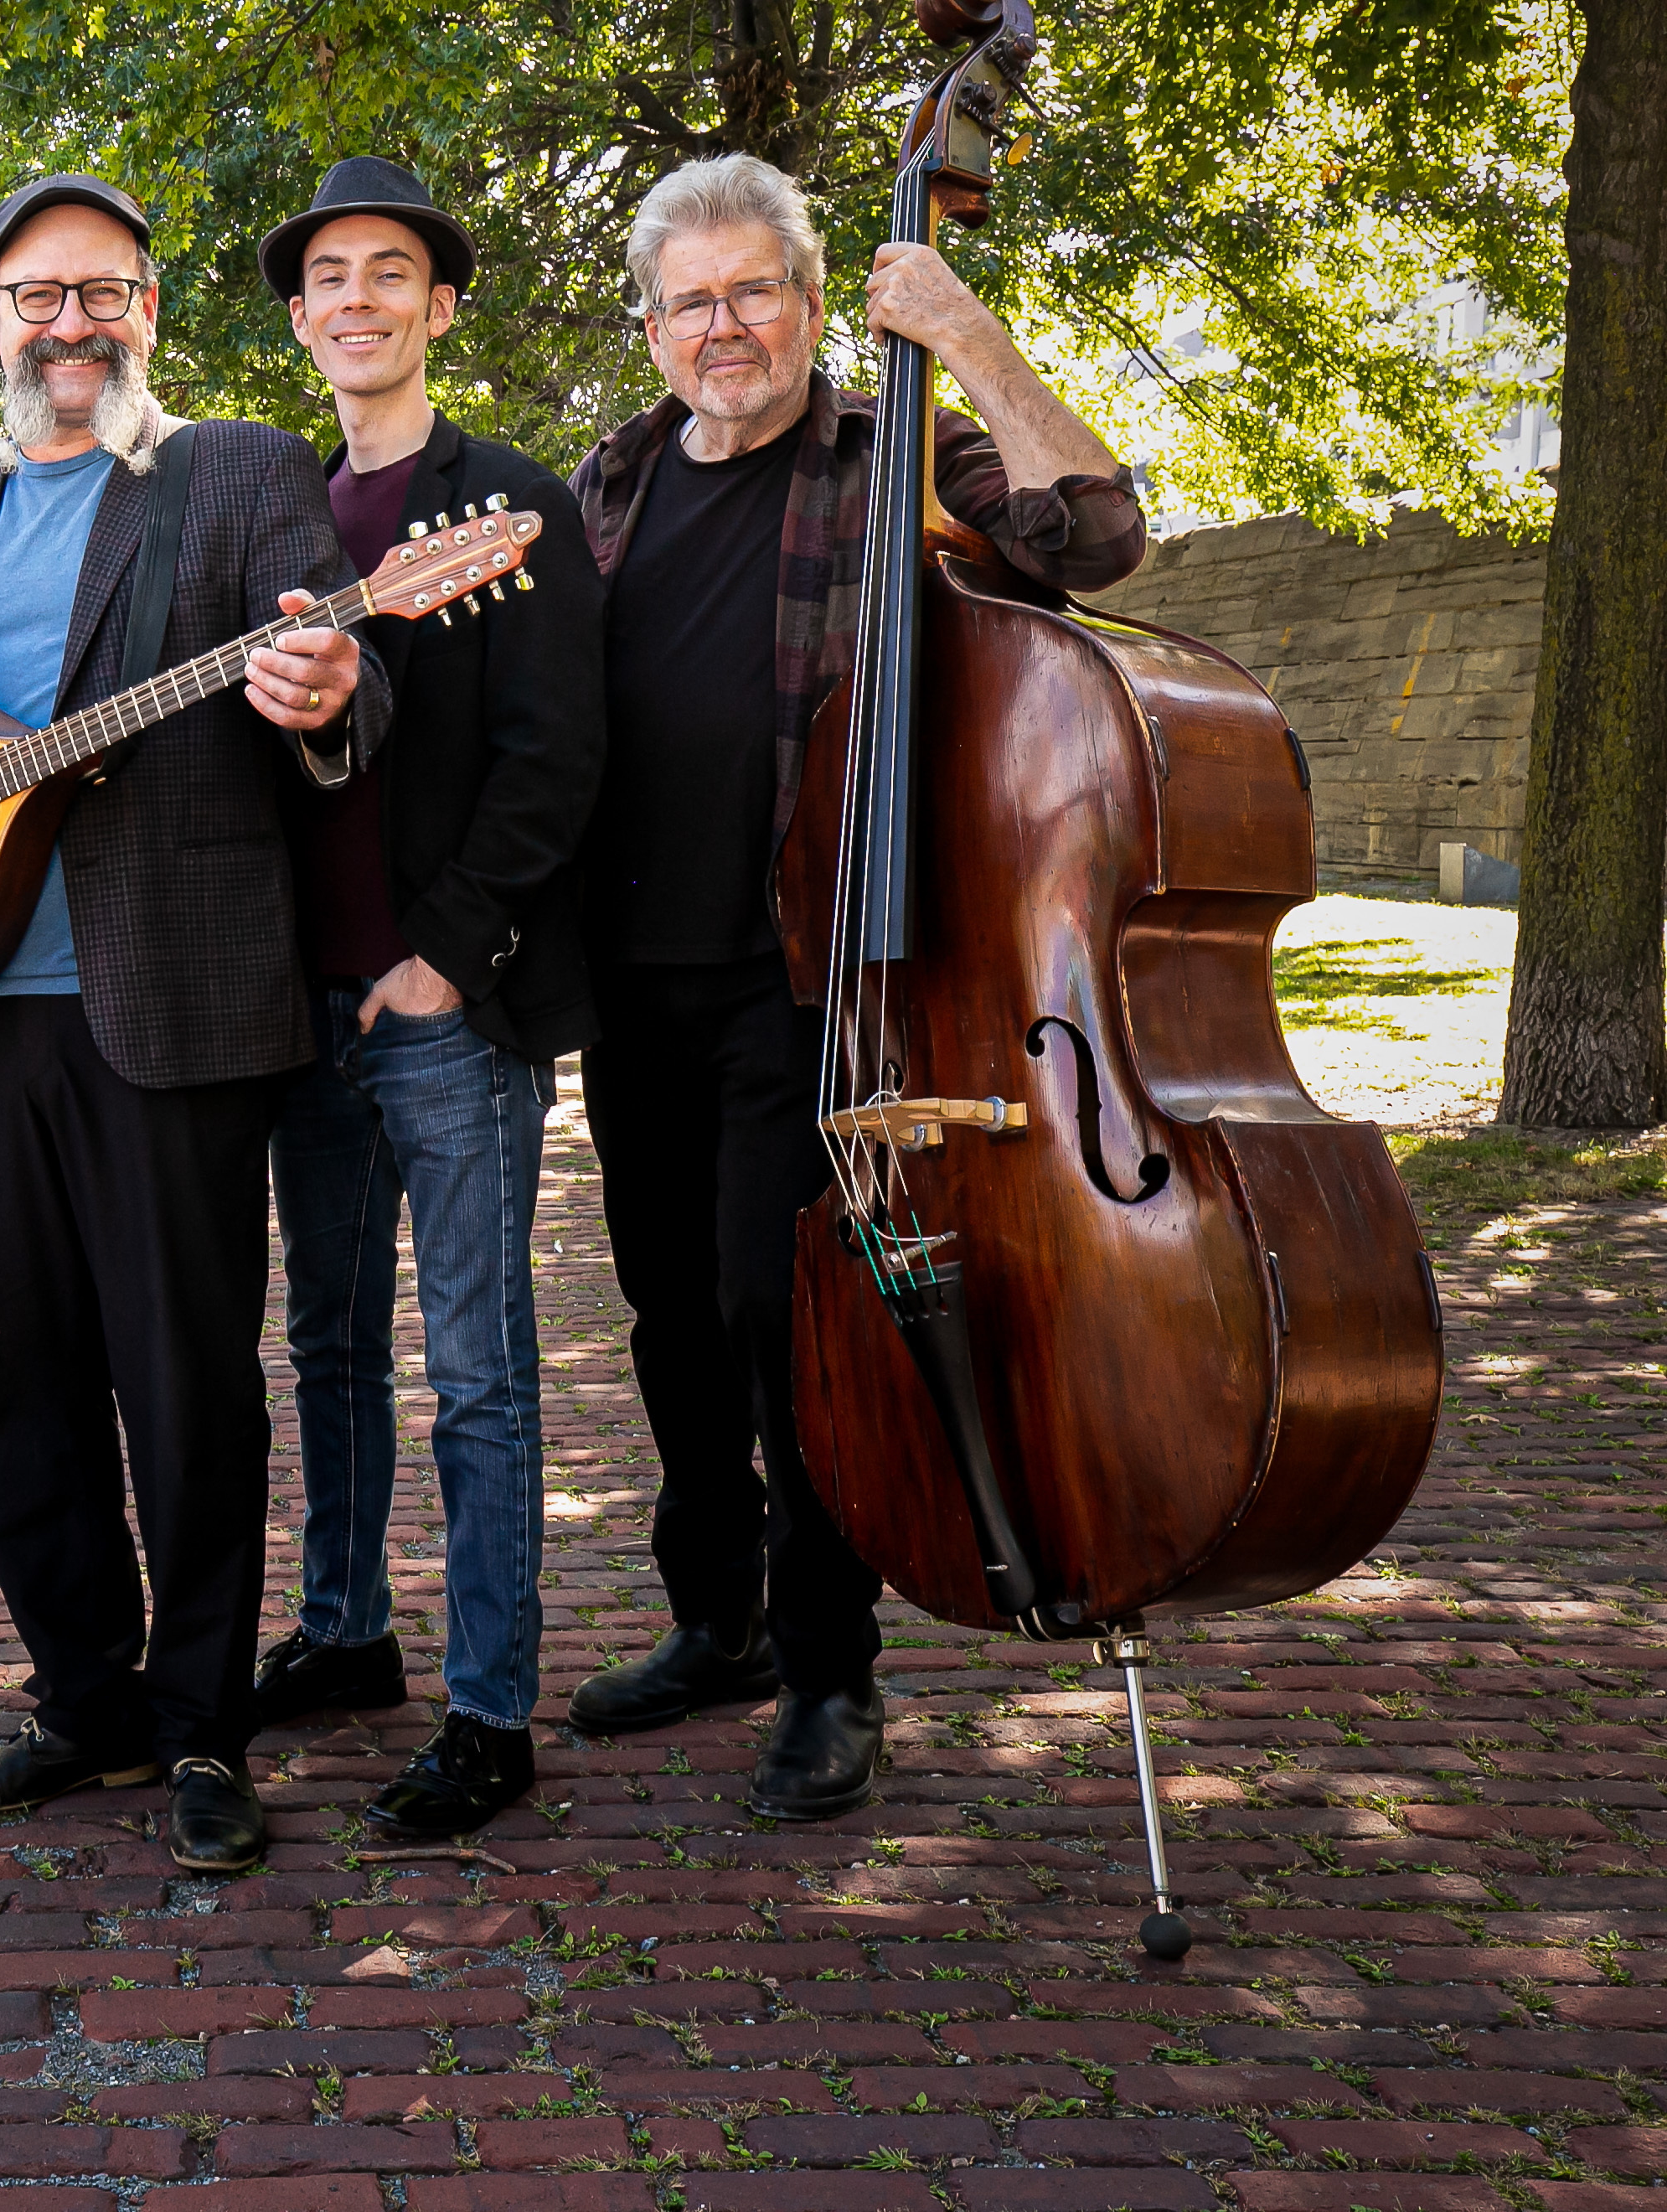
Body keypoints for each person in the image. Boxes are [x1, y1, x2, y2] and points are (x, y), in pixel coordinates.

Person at [0, 174, 388, 1875]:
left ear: (147, 314)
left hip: (172, 997)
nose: (69, 322)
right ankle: (84, 1698)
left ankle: (202, 1725)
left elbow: (349, 675)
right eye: (37, 295)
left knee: (187, 1380)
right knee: (17, 1387)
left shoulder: (237, 473)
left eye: (103, 292)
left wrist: (327, 689)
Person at [559, 153, 1147, 1817]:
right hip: (631, 977)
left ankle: (831, 1669)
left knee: (777, 1312)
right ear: (655, 329)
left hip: (812, 973)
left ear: (818, 305)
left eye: (756, 291)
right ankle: (718, 1622)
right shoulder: (605, 485)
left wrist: (961, 328)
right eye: (690, 303)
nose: (723, 326)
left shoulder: (899, 459)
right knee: (671, 1314)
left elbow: (1099, 537)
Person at [244, 159, 608, 1838]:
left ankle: (492, 1706)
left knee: (476, 1366)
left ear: (439, 305)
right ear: (304, 314)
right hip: (301, 1010)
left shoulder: (509, 503)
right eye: (331, 276)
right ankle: (343, 1633)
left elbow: (558, 764)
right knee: (327, 1345)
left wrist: (442, 950)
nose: (361, 298)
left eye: (393, 271)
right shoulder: (282, 513)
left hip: (446, 1011)